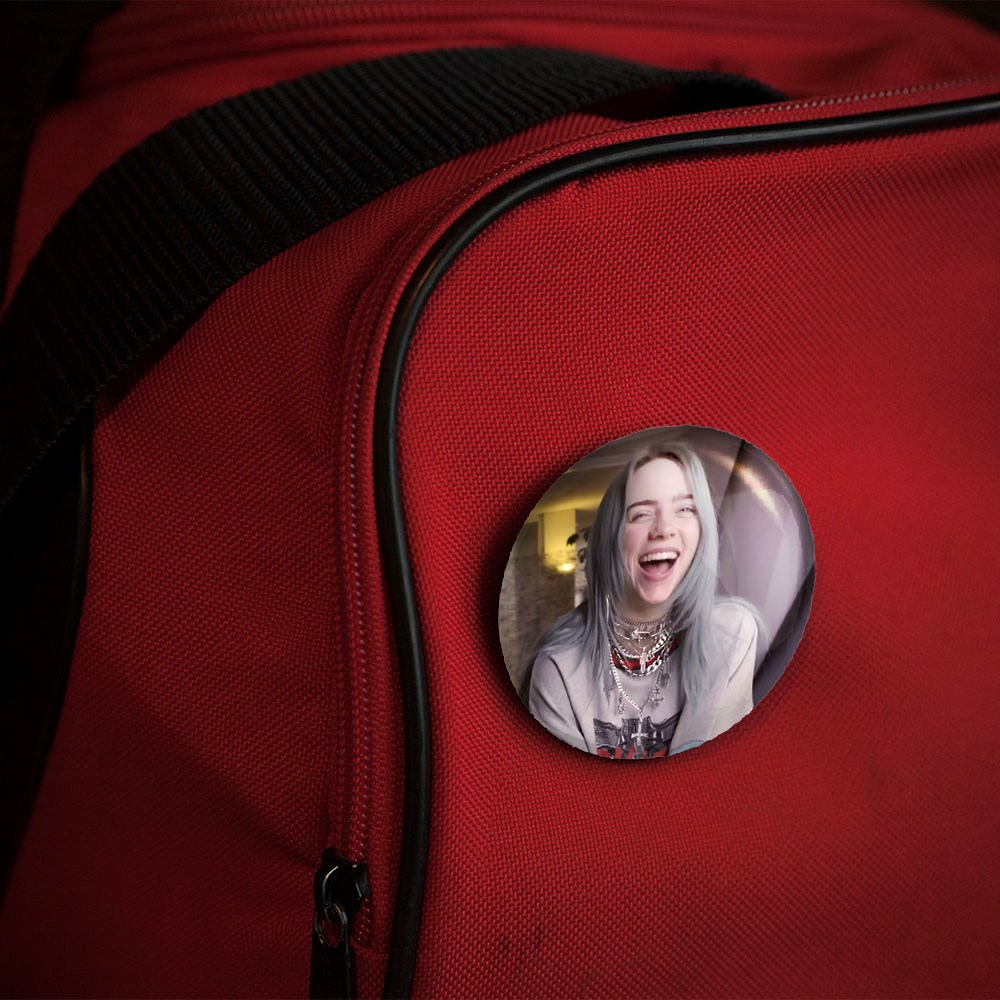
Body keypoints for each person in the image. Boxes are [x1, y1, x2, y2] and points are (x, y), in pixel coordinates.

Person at [526, 441, 759, 759]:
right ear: (611, 537)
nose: (664, 529)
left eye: (685, 509)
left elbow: (716, 767)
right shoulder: (559, 669)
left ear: (702, 530)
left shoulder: (732, 634)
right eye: (641, 514)